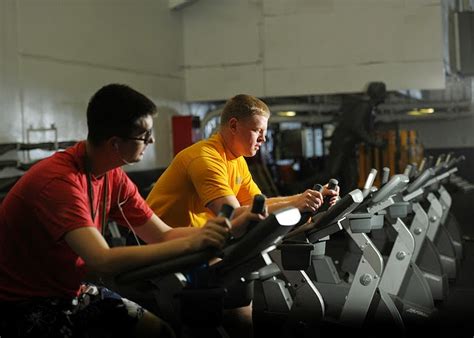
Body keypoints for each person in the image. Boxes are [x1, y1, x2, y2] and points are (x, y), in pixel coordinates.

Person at [0, 84, 260, 338]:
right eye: (144, 136)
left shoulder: (112, 176)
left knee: (160, 332)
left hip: (72, 291)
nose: (152, 140)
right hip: (24, 303)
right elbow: (101, 259)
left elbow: (163, 235)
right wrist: (193, 244)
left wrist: (222, 230)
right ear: (115, 143)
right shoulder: (59, 182)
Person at [146, 93, 339, 235]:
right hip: (159, 243)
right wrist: (296, 203)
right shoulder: (205, 158)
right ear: (233, 126)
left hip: (194, 238)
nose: (263, 139)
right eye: (257, 131)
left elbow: (256, 205)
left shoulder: (236, 159)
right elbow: (235, 215)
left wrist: (308, 198)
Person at [325, 81, 388, 194]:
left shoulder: (368, 107)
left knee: (352, 178)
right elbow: (356, 127)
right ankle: (300, 189)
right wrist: (374, 142)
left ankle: (347, 205)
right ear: (378, 94)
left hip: (348, 147)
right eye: (383, 93)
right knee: (331, 175)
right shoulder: (364, 106)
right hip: (342, 146)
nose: (385, 95)